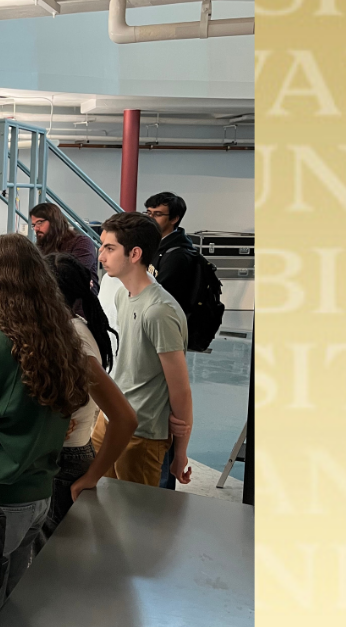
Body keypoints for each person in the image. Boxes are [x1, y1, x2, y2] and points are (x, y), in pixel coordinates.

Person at [0, 234, 91, 626]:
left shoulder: (1, 350)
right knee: (12, 609)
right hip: (38, 496)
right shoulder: (62, 340)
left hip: (0, 502)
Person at [39, 254, 137, 540]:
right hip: (64, 456)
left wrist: (93, 475)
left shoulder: (74, 340)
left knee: (57, 559)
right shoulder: (67, 329)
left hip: (67, 461)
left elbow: (125, 418)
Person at [94, 212, 193, 488]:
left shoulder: (159, 311)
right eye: (102, 246)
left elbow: (181, 389)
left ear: (135, 253)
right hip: (111, 419)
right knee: (98, 507)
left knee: (134, 520)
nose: (101, 255)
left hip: (143, 434)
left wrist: (180, 453)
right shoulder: (121, 295)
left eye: (109, 248)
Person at [145, 191, 198, 491]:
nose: (151, 217)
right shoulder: (157, 249)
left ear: (174, 218)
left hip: (167, 342)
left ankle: (165, 484)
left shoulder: (177, 256)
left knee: (168, 411)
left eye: (158, 214)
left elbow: (162, 304)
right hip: (154, 342)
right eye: (148, 212)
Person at [28, 202, 98, 293]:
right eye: (33, 225)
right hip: (50, 302)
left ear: (54, 221)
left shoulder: (81, 243)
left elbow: (76, 277)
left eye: (40, 222)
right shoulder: (39, 248)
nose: (36, 229)